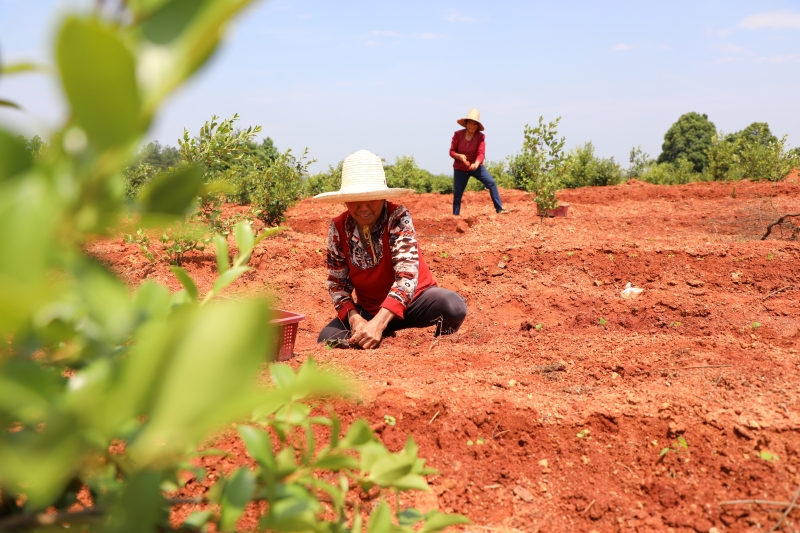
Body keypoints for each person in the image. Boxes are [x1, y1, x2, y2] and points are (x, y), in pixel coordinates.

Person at [314, 150, 467, 349]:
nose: (363, 207)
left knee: (453, 307)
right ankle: (375, 332)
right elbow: (337, 285)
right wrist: (356, 320)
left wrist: (378, 324)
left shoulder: (397, 217)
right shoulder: (339, 228)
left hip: (415, 303)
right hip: (369, 309)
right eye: (355, 199)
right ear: (345, 200)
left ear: (383, 197)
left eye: (371, 198)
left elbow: (407, 278)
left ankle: (439, 348)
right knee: (328, 338)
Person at [449, 108, 507, 215]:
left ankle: (499, 209)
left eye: (475, 124)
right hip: (460, 168)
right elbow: (452, 152)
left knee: (491, 183)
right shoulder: (458, 135)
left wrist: (476, 163)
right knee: (458, 193)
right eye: (470, 123)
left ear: (478, 126)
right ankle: (455, 215)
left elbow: (481, 153)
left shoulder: (480, 136)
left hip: (476, 167)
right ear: (466, 124)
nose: (472, 126)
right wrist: (460, 156)